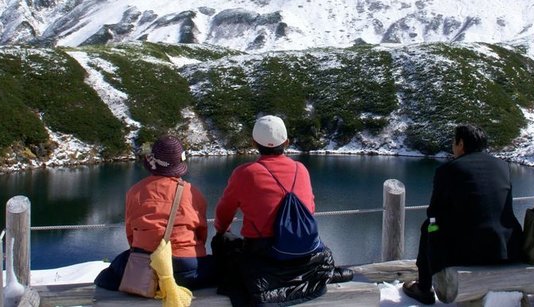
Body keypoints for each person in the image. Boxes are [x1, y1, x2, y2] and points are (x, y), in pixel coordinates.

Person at [212, 115, 352, 306]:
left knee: (222, 241)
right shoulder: (301, 169)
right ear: (286, 142)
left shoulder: (245, 173)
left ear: (254, 143)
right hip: (303, 252)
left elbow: (223, 215)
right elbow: (310, 208)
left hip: (263, 253)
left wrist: (223, 231)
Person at [402, 124, 524, 305]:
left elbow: (434, 211)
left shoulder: (448, 170)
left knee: (429, 225)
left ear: (460, 144)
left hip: (468, 251)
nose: (453, 145)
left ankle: (424, 287)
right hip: (507, 247)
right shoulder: (503, 167)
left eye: (454, 141)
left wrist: (436, 229)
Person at [95, 135, 215, 291]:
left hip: (147, 266)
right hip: (187, 269)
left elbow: (131, 234)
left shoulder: (135, 192)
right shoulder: (193, 193)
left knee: (109, 273)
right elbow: (202, 233)